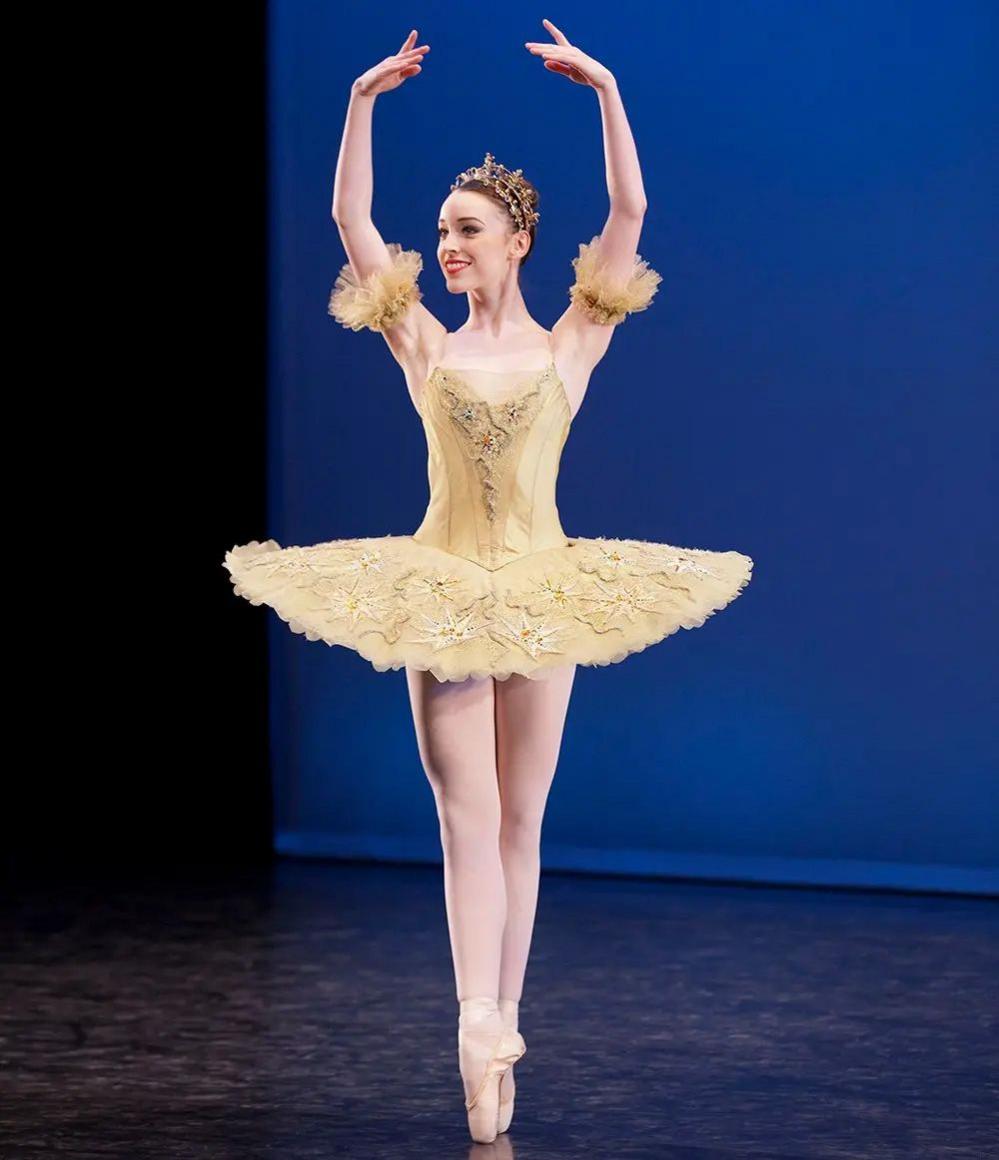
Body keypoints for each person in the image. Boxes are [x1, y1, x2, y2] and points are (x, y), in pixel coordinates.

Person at [224, 20, 754, 1144]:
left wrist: (607, 86)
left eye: (466, 229)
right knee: (466, 819)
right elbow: (349, 222)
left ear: (517, 239)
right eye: (442, 232)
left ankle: (505, 1022)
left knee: (524, 819)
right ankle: (474, 1016)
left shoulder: (572, 343)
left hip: (547, 587)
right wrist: (363, 100)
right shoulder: (423, 343)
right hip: (444, 585)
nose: (447, 244)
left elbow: (630, 218)